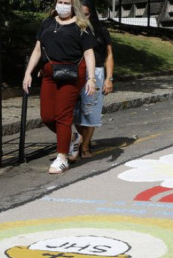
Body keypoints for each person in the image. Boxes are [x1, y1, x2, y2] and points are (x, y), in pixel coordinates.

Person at [23, 0, 96, 174]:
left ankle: (62, 157)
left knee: (63, 115)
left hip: (71, 74)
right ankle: (73, 137)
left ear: (73, 6)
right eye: (60, 1)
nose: (62, 5)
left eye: (66, 2)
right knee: (47, 116)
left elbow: (88, 53)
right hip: (49, 74)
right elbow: (38, 49)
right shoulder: (48, 22)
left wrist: (91, 78)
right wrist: (28, 73)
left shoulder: (81, 26)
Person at [72, 0, 114, 160]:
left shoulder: (100, 30)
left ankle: (85, 146)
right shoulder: (72, 28)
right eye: (80, 14)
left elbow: (109, 55)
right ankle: (81, 138)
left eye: (87, 14)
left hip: (96, 73)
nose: (84, 17)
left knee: (91, 111)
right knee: (76, 112)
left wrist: (109, 78)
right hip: (75, 73)